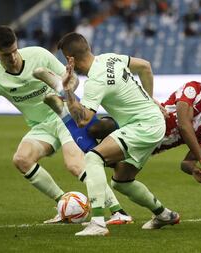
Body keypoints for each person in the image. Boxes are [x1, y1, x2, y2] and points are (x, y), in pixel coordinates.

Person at [0, 25, 131, 225]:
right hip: (42, 126)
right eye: (6, 55)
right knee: (21, 159)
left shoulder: (38, 55)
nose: (12, 58)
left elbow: (72, 79)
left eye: (14, 51)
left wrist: (65, 86)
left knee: (75, 163)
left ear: (17, 44)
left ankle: (119, 212)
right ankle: (66, 205)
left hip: (64, 113)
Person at [57, 32, 183, 236]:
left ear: (70, 59)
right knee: (122, 181)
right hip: (152, 123)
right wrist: (149, 100)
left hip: (143, 126)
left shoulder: (95, 81)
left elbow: (82, 120)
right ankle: (164, 215)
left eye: (65, 59)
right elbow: (145, 66)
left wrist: (68, 90)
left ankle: (97, 223)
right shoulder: (110, 57)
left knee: (93, 157)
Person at [35, 67, 201, 188]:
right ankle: (63, 89)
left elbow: (186, 163)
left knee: (108, 166)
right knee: (96, 129)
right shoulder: (196, 89)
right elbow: (184, 125)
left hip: (146, 148)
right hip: (141, 121)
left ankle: (63, 107)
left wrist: (193, 169)